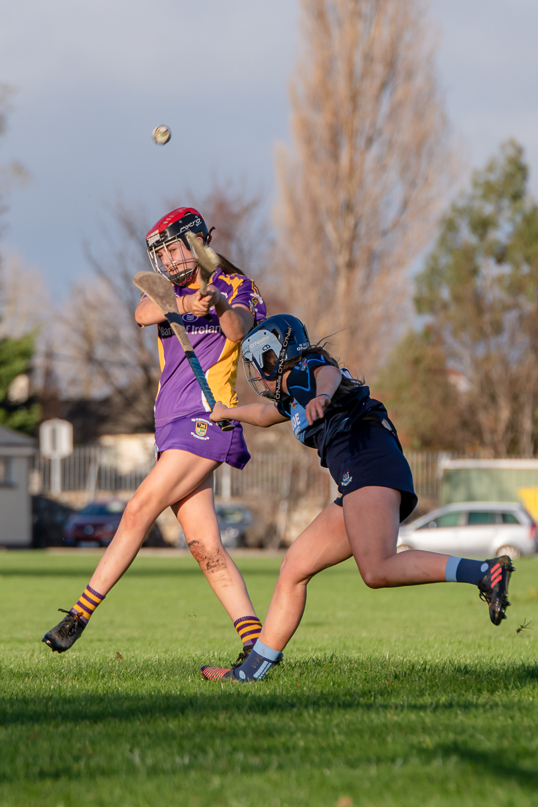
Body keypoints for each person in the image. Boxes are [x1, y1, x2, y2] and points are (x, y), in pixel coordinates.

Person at [199, 314, 516, 682]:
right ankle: (250, 673)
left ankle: (483, 571)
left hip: (368, 462)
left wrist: (322, 395)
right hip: (362, 473)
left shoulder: (307, 368)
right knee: (295, 568)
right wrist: (227, 413)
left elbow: (327, 375)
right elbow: (265, 414)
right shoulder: (292, 396)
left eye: (261, 362)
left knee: (377, 568)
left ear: (276, 354)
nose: (260, 373)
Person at [43, 207, 266, 662]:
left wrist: (217, 304)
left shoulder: (238, 285)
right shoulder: (174, 291)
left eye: (172, 248)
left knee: (138, 509)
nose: (166, 259)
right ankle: (256, 644)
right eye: (160, 253)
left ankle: (79, 616)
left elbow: (240, 327)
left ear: (199, 241)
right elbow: (144, 310)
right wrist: (184, 303)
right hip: (170, 426)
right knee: (205, 547)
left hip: (206, 420)